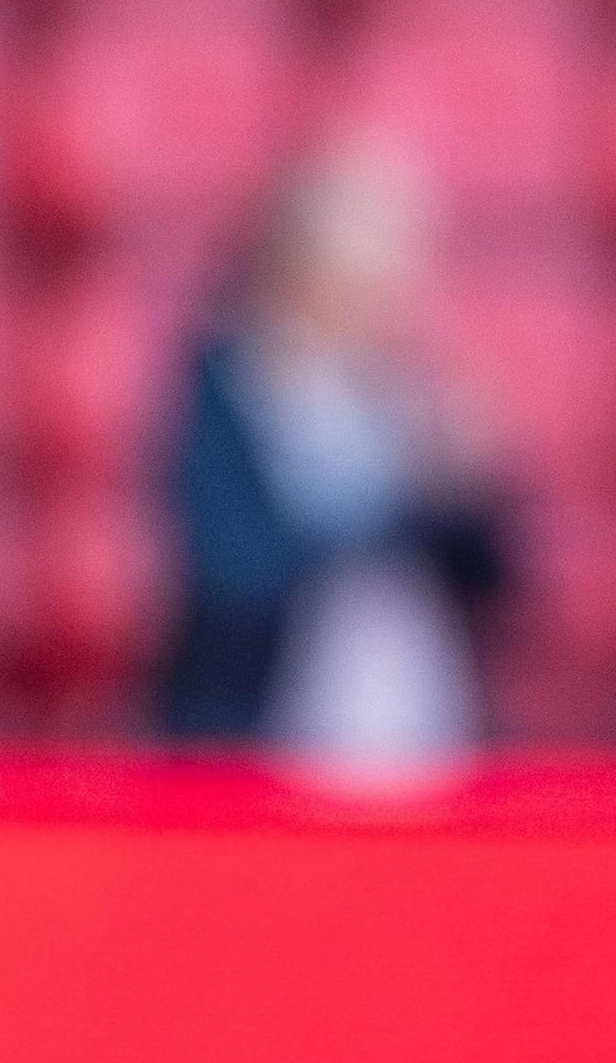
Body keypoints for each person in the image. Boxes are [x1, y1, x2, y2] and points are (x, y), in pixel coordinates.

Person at [153, 141, 511, 758]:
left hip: (414, 732)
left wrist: (474, 491)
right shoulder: (227, 393)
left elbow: (495, 582)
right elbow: (238, 574)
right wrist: (403, 498)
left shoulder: (403, 394)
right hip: (267, 736)